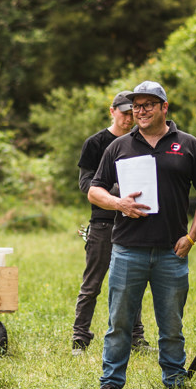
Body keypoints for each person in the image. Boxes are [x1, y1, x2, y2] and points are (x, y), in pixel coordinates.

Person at [87, 80, 196, 389]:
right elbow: (94, 189)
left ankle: (175, 383)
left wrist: (192, 235)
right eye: (136, 106)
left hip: (172, 252)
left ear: (164, 107)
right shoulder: (118, 146)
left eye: (148, 105)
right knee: (119, 323)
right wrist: (119, 204)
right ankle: (110, 386)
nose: (140, 111)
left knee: (171, 324)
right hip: (127, 249)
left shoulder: (188, 145)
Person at [72, 91, 149, 356]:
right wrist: (121, 192)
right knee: (92, 284)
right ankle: (79, 339)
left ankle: (137, 338)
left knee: (133, 283)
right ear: (112, 111)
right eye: (125, 113)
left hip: (133, 223)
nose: (130, 118)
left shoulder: (140, 142)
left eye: (133, 113)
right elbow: (86, 184)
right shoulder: (96, 143)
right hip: (103, 224)